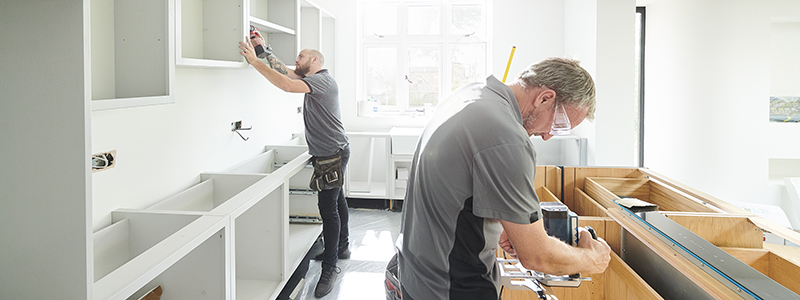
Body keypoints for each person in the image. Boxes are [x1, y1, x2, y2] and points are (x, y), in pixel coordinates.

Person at [397, 57, 612, 300]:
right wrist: (591, 258)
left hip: (418, 276)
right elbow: (537, 256)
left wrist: (501, 227)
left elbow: (454, 186)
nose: (548, 136)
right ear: (545, 97)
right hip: (453, 288)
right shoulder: (506, 138)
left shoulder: (471, 94)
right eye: (559, 124)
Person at [239, 36, 350, 298]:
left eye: (300, 56)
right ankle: (342, 247)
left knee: (328, 210)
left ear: (315, 60)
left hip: (332, 155)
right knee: (338, 200)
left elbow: (287, 85)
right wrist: (264, 50)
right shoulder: (313, 80)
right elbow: (286, 72)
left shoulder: (322, 81)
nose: (296, 60)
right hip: (332, 152)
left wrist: (255, 62)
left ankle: (330, 267)